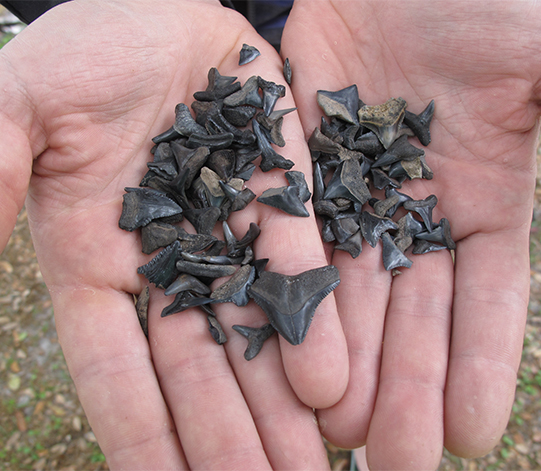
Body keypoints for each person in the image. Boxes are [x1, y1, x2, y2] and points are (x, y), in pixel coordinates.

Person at [0, 0, 537, 469]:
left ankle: (363, 444)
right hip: (200, 30)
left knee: (364, 353)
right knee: (335, 346)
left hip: (333, 31)